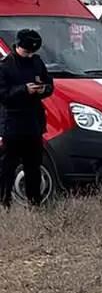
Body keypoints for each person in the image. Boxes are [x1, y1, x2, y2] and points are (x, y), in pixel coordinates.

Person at [0, 30, 54, 207]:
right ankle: (4, 202)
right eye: (26, 52)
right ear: (17, 46)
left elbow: (49, 85)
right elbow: (3, 95)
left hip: (33, 123)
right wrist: (24, 90)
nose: (29, 55)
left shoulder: (37, 62)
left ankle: (35, 203)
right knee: (7, 167)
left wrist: (43, 89)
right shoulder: (5, 66)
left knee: (34, 167)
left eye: (33, 52)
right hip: (13, 124)